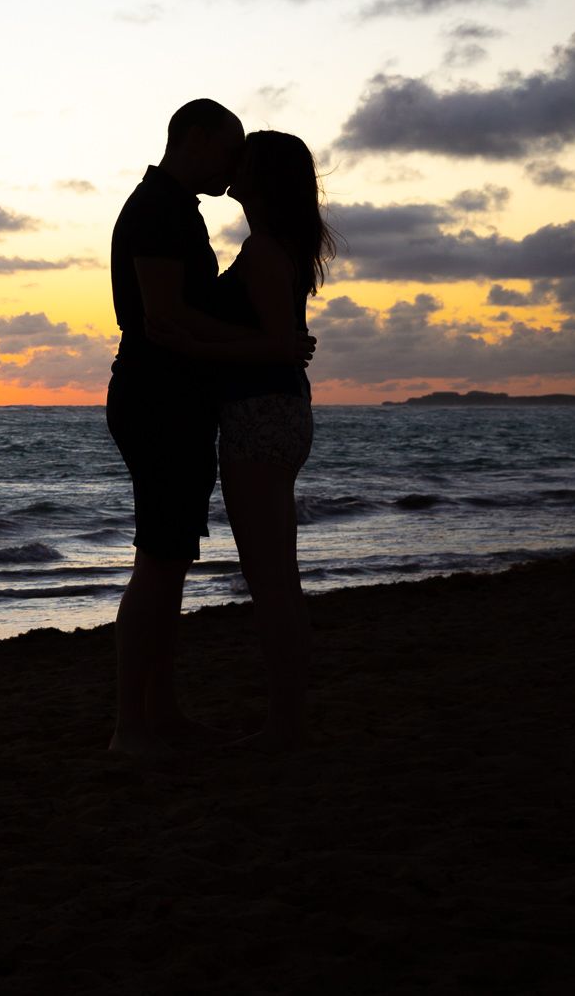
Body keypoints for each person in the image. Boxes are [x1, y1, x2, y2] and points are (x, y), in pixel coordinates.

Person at [104, 100, 314, 762]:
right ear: (194, 139)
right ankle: (140, 724)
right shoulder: (165, 213)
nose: (232, 167)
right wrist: (272, 344)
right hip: (182, 406)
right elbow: (165, 324)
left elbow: (176, 325)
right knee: (170, 563)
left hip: (230, 411)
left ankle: (157, 720)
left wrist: (271, 344)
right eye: (229, 151)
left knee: (185, 565)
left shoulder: (200, 223)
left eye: (244, 160)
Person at [210, 130, 337, 751]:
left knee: (271, 581)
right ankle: (290, 719)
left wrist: (191, 342)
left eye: (244, 162)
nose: (232, 169)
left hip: (260, 412)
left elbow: (274, 342)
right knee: (278, 576)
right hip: (281, 412)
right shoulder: (279, 248)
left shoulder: (263, 250)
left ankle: (285, 726)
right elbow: (283, 342)